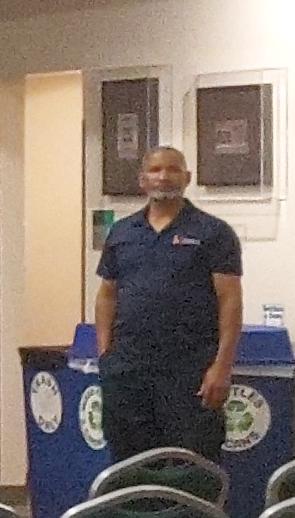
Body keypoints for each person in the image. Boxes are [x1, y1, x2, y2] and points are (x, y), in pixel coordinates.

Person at [94, 145, 243, 467]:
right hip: (128, 373)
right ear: (142, 180)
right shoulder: (122, 232)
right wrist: (105, 353)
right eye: (155, 169)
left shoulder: (213, 232)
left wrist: (222, 367)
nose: (164, 177)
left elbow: (230, 300)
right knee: (129, 467)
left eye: (173, 169)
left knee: (192, 466)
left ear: (187, 178)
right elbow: (107, 294)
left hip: (190, 373)